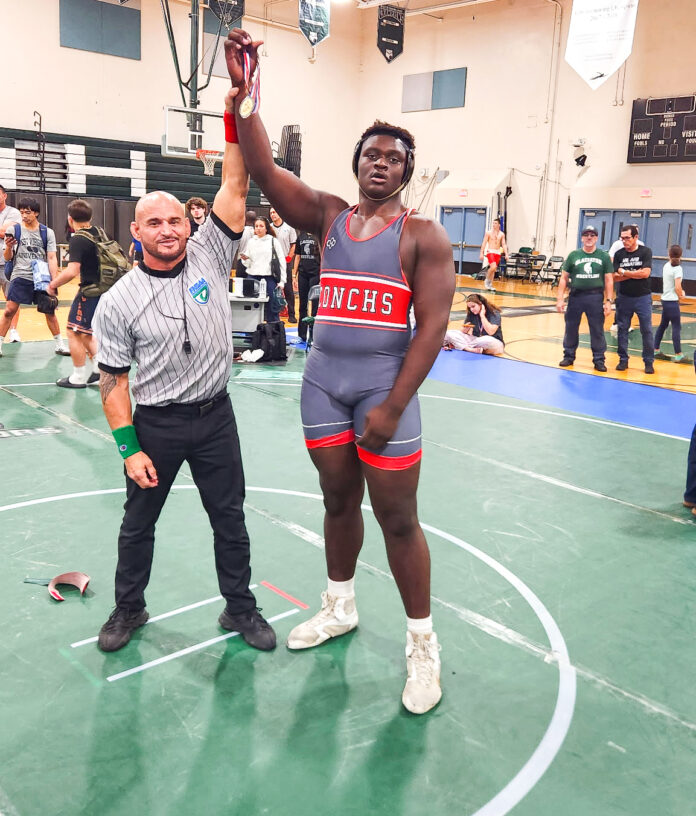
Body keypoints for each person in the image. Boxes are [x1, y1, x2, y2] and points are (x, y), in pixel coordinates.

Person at [227, 28, 455, 714]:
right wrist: (245, 101)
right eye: (371, 154)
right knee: (335, 502)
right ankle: (339, 605)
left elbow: (435, 327)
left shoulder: (421, 235)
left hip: (385, 389)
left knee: (399, 519)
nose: (380, 164)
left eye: (393, 158)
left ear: (406, 172)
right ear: (356, 162)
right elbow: (266, 172)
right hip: (324, 382)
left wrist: (392, 405)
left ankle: (422, 646)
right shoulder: (325, 216)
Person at [91, 84, 276, 654]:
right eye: (156, 223)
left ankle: (239, 610)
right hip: (158, 424)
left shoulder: (211, 254)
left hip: (216, 417)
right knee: (138, 522)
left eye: (176, 220)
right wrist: (130, 448)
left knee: (230, 518)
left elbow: (235, 181)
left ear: (188, 226)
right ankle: (129, 608)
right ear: (136, 233)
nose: (169, 229)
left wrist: (235, 108)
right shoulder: (119, 301)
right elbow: (114, 385)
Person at [0, 197, 70, 357]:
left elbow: (51, 258)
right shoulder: (14, 230)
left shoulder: (47, 232)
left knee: (49, 311)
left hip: (41, 275)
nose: (24, 215)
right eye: (22, 212)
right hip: (20, 274)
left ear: (36, 213)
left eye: (28, 212)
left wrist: (54, 283)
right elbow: (8, 257)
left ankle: (59, 344)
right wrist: (9, 247)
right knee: (9, 310)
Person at [47, 199, 104, 388]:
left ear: (70, 219)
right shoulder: (99, 233)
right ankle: (98, 370)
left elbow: (72, 271)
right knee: (86, 332)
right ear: (91, 217)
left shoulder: (78, 238)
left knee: (73, 330)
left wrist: (52, 284)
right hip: (106, 290)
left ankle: (78, 377)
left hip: (90, 290)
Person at [555, 224, 613, 372]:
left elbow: (609, 280)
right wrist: (560, 298)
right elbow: (563, 278)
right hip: (576, 296)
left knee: (597, 329)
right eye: (586, 235)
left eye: (592, 235)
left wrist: (609, 301)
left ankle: (599, 360)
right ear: (581, 238)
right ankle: (568, 356)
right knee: (571, 327)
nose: (589, 237)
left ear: (596, 238)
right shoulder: (574, 255)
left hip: (595, 297)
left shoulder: (604, 256)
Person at [613, 225, 655, 373]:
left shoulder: (645, 252)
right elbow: (613, 277)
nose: (624, 241)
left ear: (636, 237)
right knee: (622, 329)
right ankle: (623, 360)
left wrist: (623, 272)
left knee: (647, 330)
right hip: (624, 297)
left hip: (642, 297)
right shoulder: (619, 254)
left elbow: (645, 274)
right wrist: (633, 273)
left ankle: (648, 362)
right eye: (622, 238)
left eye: (627, 238)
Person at [239, 216, 286, 322]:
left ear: (266, 228)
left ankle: (273, 334)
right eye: (256, 226)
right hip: (252, 277)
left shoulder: (273, 241)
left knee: (272, 308)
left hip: (269, 278)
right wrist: (245, 259)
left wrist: (282, 281)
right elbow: (248, 264)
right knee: (250, 307)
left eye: (261, 226)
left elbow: (282, 262)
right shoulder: (251, 241)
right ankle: (252, 334)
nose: (258, 228)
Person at [654, 244, 685, 363]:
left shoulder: (666, 265)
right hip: (672, 302)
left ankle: (655, 349)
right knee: (676, 326)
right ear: (681, 255)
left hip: (665, 300)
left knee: (663, 325)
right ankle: (678, 354)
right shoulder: (678, 269)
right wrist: (681, 294)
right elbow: (677, 287)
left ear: (669, 254)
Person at [0, 185, 21, 343]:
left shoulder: (13, 213)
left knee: (11, 297)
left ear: (5, 196)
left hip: (6, 261)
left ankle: (13, 331)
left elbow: (5, 233)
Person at [269, 205, 297, 322]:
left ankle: (291, 314)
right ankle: (271, 313)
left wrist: (289, 257)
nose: (273, 215)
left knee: (288, 288)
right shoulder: (269, 227)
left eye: (274, 212)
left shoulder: (289, 227)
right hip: (273, 261)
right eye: (271, 213)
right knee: (272, 287)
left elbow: (293, 244)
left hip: (285, 261)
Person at [293, 230, 321, 341]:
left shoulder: (318, 236)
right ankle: (302, 335)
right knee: (302, 305)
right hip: (303, 274)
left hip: (315, 274)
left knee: (315, 306)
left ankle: (314, 335)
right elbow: (298, 256)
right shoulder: (301, 236)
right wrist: (294, 275)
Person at [479, 218, 508, 293]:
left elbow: (504, 244)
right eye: (493, 223)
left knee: (494, 269)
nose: (494, 225)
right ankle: (487, 280)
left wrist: (506, 254)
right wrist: (481, 253)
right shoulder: (488, 233)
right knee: (493, 266)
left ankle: (490, 284)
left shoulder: (501, 234)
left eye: (495, 223)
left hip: (497, 252)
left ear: (499, 225)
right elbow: (484, 243)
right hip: (490, 251)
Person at [234, 208, 257, 278]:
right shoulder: (258, 233)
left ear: (245, 219)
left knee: (239, 285)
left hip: (241, 261)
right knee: (252, 285)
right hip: (253, 262)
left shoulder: (240, 232)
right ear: (255, 220)